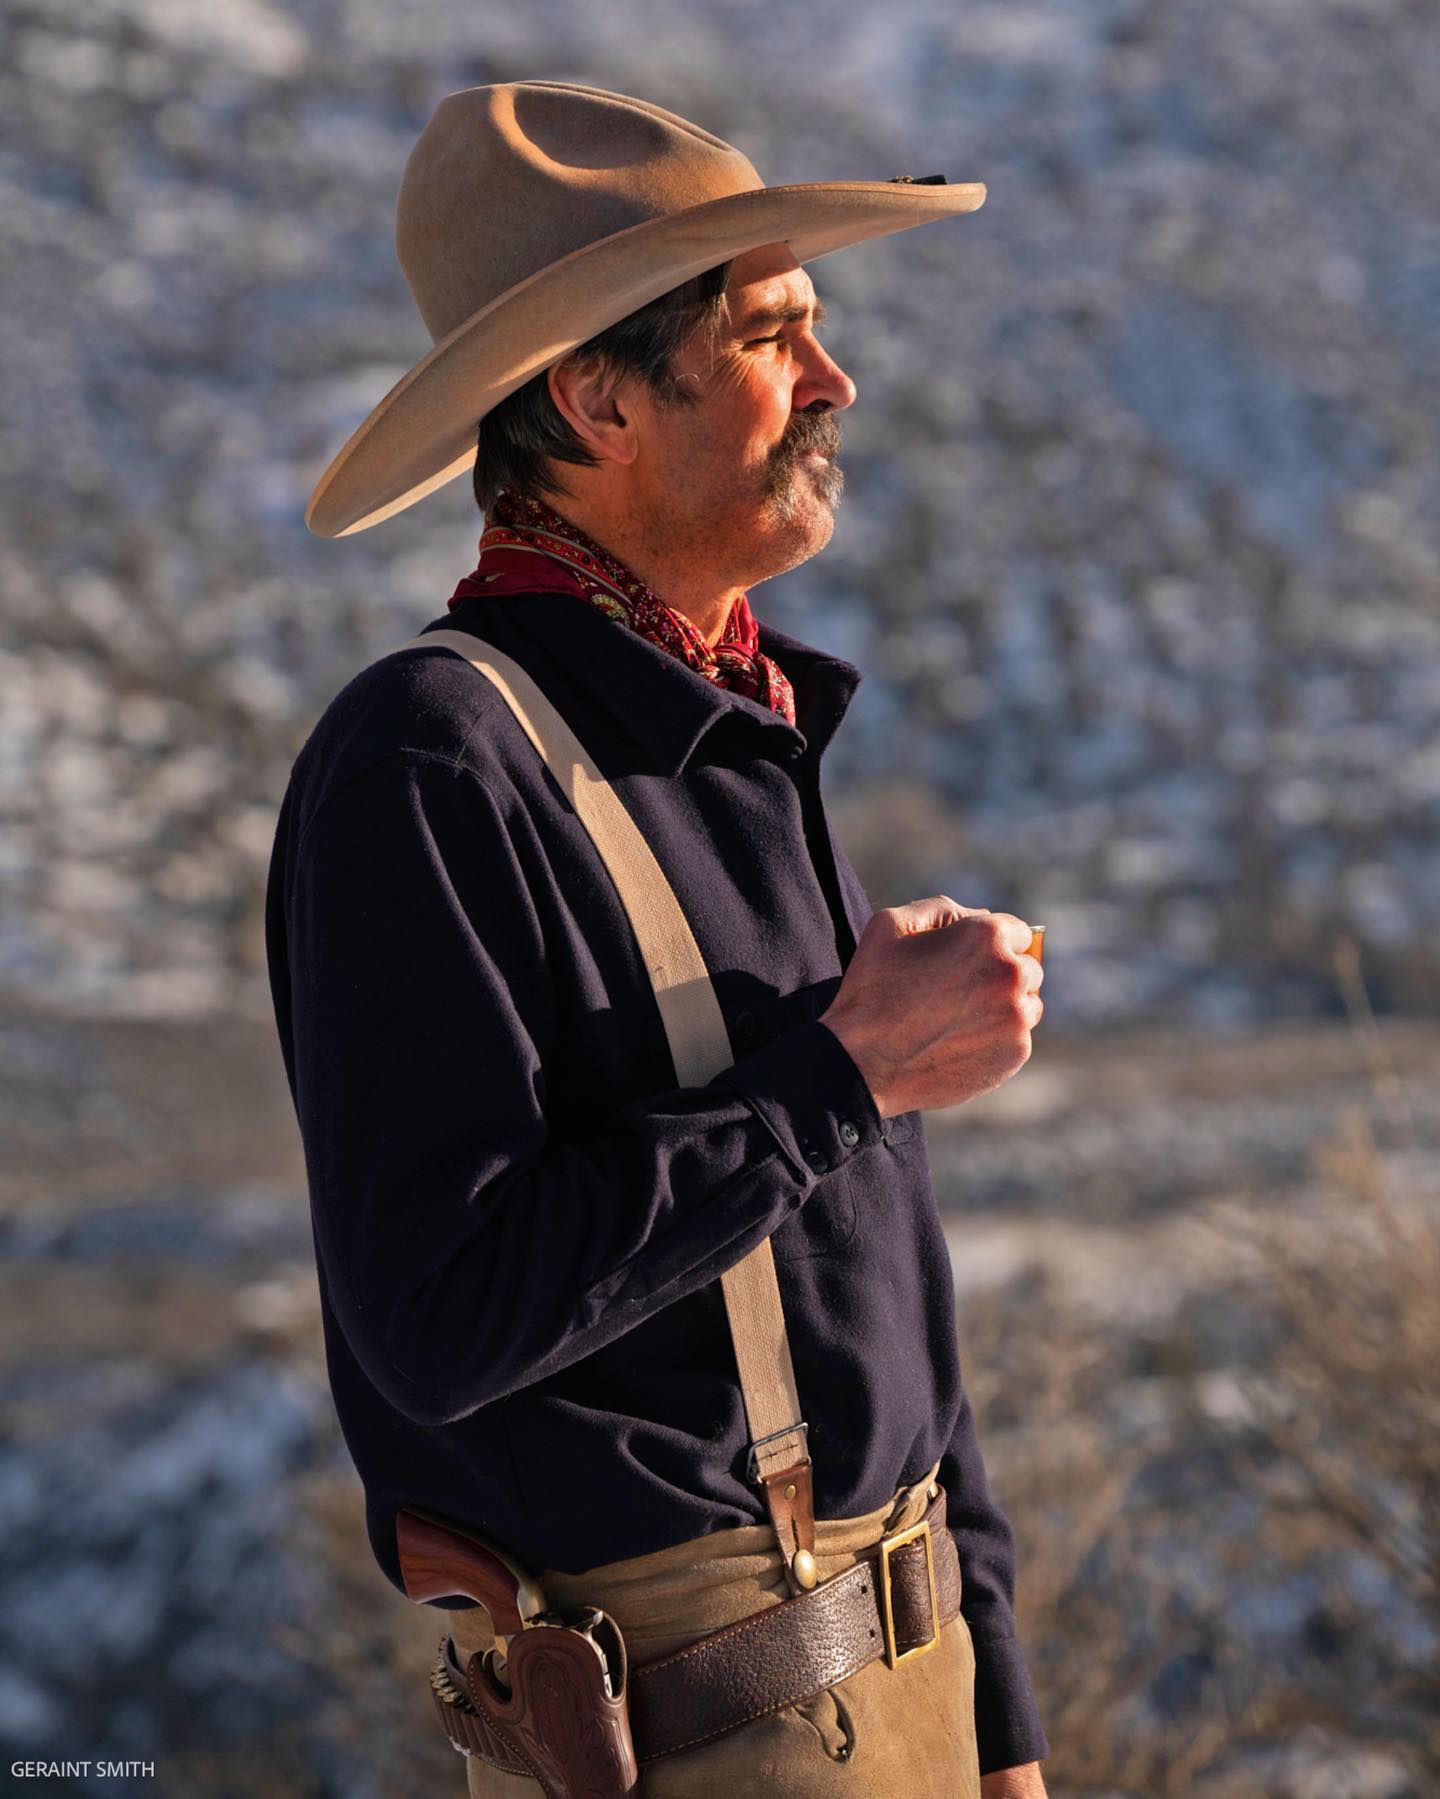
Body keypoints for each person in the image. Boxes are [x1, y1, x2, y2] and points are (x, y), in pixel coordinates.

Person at [265, 79, 1049, 1797]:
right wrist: (846, 1072)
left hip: (906, 1684)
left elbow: (877, 1304)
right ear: (598, 399)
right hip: (713, 1731)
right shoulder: (431, 761)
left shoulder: (733, 725)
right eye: (772, 335)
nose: (834, 381)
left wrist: (1000, 1724)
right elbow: (443, 1313)